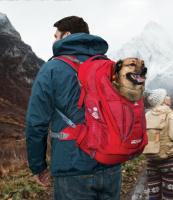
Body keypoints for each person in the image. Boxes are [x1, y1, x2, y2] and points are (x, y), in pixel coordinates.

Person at [26, 16, 122, 200]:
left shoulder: (52, 69)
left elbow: (36, 123)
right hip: (112, 164)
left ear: (67, 35)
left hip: (72, 167)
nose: (54, 40)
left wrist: (38, 166)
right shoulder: (108, 66)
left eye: (56, 36)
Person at [143, 89, 173, 200]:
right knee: (168, 197)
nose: (169, 98)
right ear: (161, 100)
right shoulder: (170, 114)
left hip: (151, 162)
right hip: (168, 161)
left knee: (153, 197)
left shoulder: (147, 115)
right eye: (167, 96)